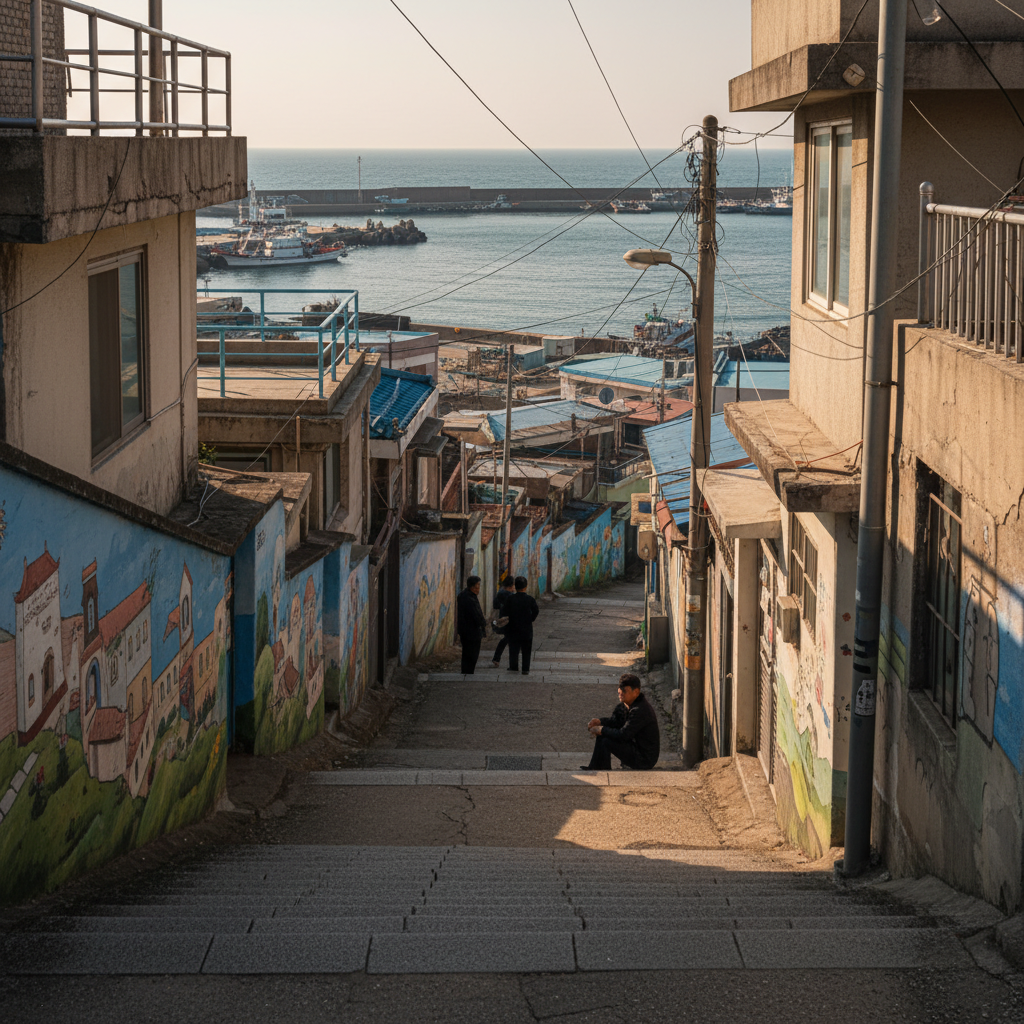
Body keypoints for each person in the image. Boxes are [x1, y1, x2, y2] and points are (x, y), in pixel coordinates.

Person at [581, 673, 660, 771]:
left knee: (606, 739)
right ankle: (595, 767)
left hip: (644, 759)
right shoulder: (624, 706)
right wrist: (600, 722)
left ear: (636, 692)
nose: (620, 692)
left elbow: (623, 735)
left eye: (624, 690)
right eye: (620, 689)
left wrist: (602, 729)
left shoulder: (640, 710)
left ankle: (603, 770)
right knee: (603, 735)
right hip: (633, 747)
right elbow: (614, 722)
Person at [504, 575, 539, 675]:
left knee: (513, 649)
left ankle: (513, 666)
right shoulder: (530, 599)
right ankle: (525, 669)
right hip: (526, 629)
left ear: (515, 586)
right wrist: (530, 619)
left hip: (513, 628)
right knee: (526, 650)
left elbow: (505, 611)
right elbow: (536, 610)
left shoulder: (510, 599)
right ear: (525, 587)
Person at [456, 575, 487, 674]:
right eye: (478, 585)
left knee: (467, 653)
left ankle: (466, 671)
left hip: (465, 630)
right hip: (472, 631)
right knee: (472, 654)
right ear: (473, 587)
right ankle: (468, 672)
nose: (479, 588)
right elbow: (476, 615)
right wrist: (483, 623)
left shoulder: (464, 595)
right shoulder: (470, 599)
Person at [490, 574, 516, 667]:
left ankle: (497, 659)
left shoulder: (500, 593)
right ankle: (497, 659)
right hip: (509, 620)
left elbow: (495, 605)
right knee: (508, 639)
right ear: (511, 585)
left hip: (503, 619)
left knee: (507, 639)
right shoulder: (510, 595)